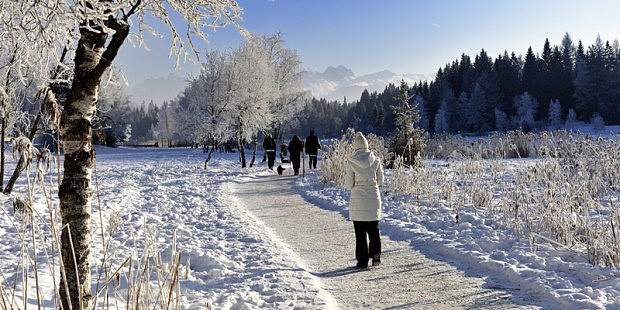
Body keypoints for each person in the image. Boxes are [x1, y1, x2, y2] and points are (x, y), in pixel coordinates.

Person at [344, 132, 384, 269]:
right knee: (374, 230)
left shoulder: (351, 162)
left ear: (355, 147)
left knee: (360, 233)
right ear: (367, 145)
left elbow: (348, 184)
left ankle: (362, 261)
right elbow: (381, 181)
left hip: (358, 201)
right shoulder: (376, 161)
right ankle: (376, 254)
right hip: (373, 198)